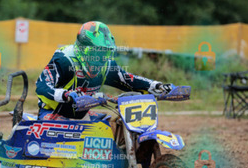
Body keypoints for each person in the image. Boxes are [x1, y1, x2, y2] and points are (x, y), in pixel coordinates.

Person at [35, 21, 172, 120]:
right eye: (97, 52)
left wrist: (156, 85)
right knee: (63, 129)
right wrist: (65, 94)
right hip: (53, 113)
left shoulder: (106, 66)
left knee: (109, 125)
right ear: (83, 48)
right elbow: (41, 86)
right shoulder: (64, 60)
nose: (101, 58)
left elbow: (129, 80)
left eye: (105, 52)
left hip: (81, 115)